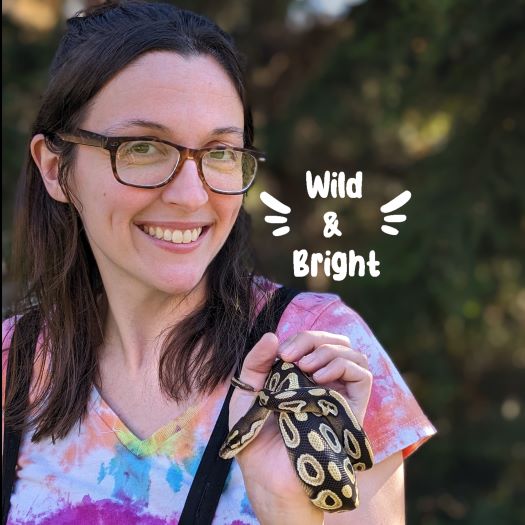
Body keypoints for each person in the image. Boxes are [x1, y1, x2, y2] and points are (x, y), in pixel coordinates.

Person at [1, 1, 436, 523]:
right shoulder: (14, 367)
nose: (191, 196)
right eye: (143, 148)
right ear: (55, 169)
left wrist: (285, 509)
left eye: (221, 152)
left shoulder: (320, 360)